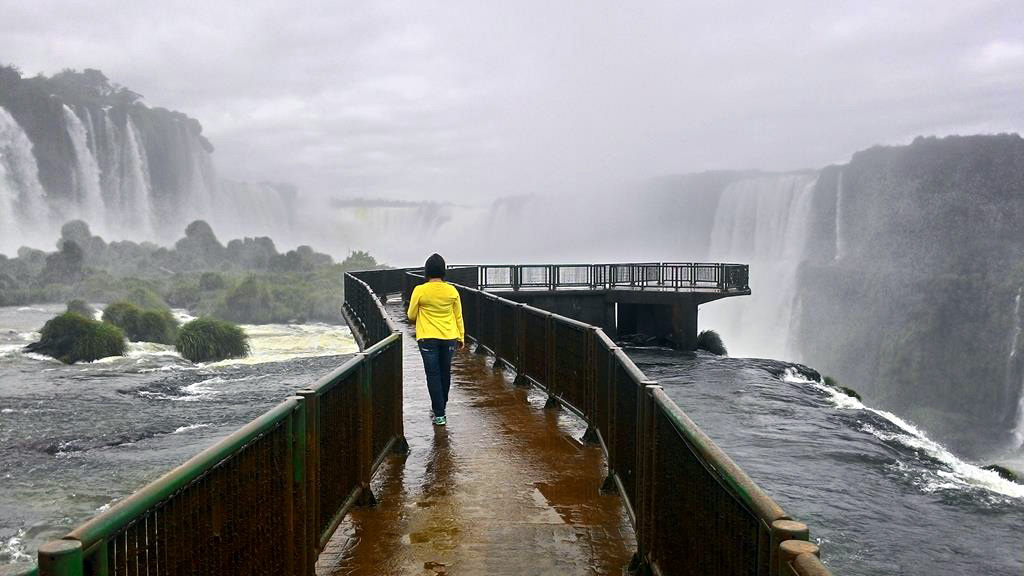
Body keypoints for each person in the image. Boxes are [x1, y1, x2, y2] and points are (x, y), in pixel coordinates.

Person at [407, 253, 465, 426]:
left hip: (427, 338)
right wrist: (461, 337)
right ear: (443, 271)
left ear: (427, 271)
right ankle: (441, 406)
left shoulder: (420, 290)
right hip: (449, 337)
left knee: (433, 375)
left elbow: (411, 315)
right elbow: (458, 316)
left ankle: (439, 414)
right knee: (445, 372)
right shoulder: (452, 290)